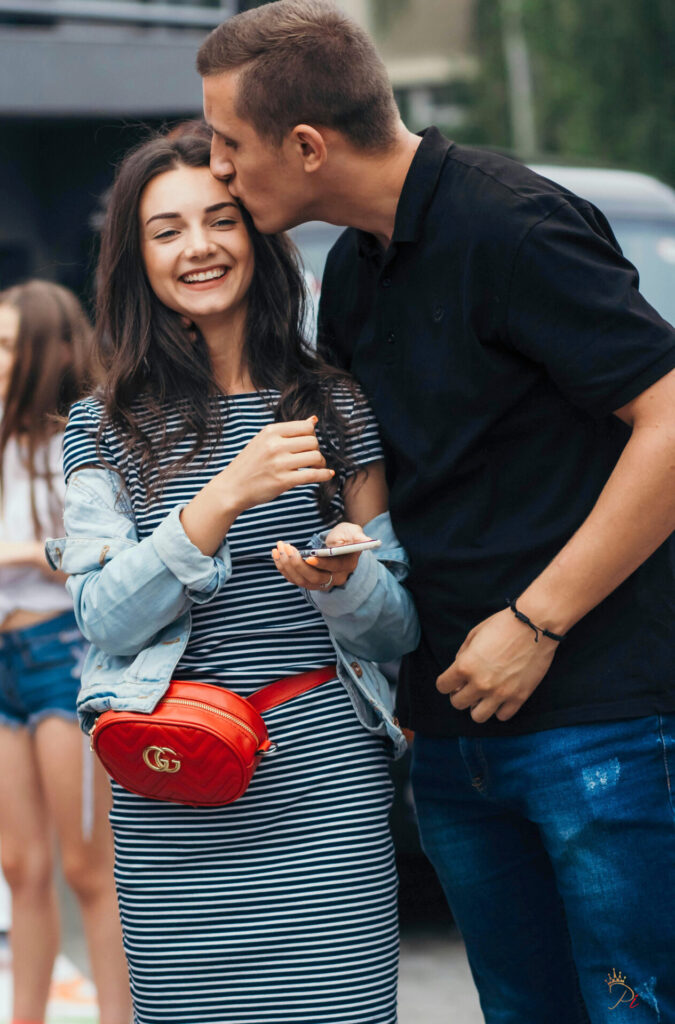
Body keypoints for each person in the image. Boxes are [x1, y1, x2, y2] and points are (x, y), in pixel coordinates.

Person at [196, 3, 675, 1022]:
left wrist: (535, 621)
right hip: (452, 731)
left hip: (598, 724)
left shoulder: (511, 222)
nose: (220, 174)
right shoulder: (353, 277)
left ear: (307, 145)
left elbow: (669, 419)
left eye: (229, 148)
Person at [47, 128, 419, 1024]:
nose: (199, 246)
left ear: (258, 235)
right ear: (136, 258)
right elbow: (104, 615)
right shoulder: (101, 424)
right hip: (173, 776)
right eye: (166, 230)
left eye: (221, 219)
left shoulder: (335, 405)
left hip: (323, 776)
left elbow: (396, 627)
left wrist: (346, 582)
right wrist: (226, 493)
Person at [0, 281, 131, 1024]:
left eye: (9, 343)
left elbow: (100, 554)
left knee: (88, 870)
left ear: (50, 349)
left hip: (62, 653)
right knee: (20, 867)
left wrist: (9, 552)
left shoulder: (83, 434)